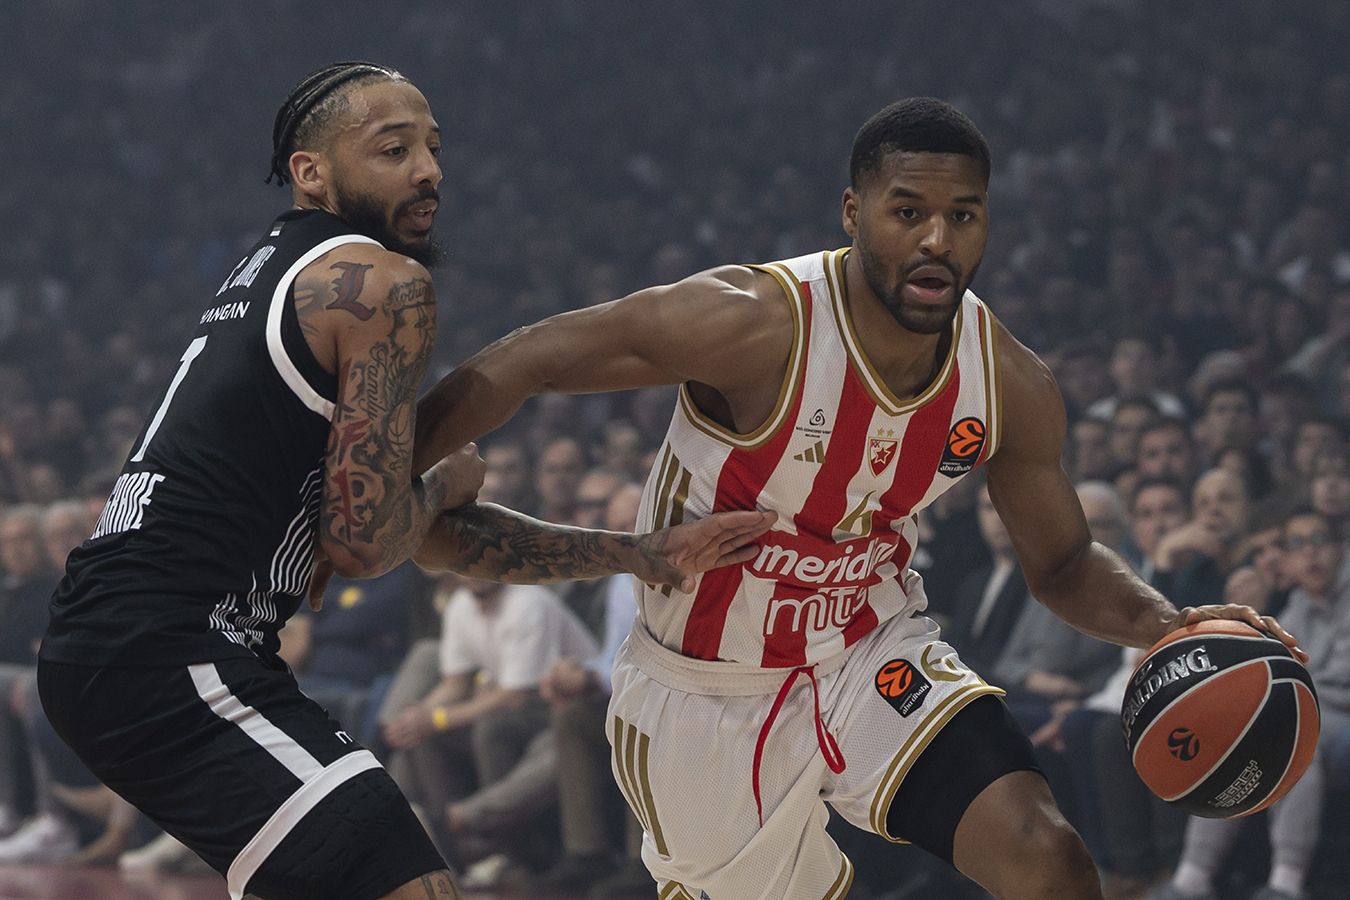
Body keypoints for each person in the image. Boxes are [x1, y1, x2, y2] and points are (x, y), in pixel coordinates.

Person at [412, 97, 1305, 899]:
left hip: (869, 648)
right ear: (853, 212)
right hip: (705, 690)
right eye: (908, 212)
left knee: (1048, 859)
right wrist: (384, 471)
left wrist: (1165, 624)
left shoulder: (1007, 382)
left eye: (962, 216)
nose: (937, 240)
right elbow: (530, 358)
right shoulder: (753, 321)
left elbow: (1065, 562)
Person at [35, 60, 772, 900]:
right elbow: (367, 541)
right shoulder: (380, 287)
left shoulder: (269, 269)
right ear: (312, 172)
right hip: (170, 649)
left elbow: (430, 539)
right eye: (393, 150)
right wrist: (446, 480)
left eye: (433, 148)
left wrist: (640, 555)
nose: (428, 171)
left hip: (125, 639)